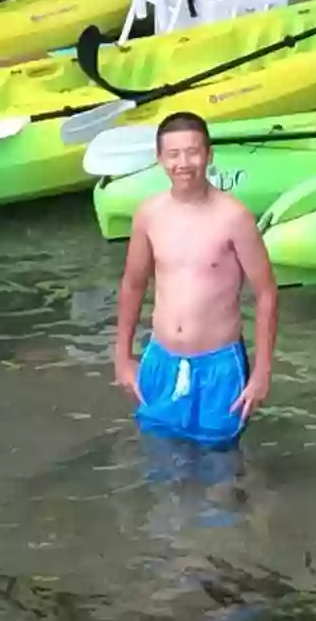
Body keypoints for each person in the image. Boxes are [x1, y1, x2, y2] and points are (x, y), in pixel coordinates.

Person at [112, 114, 279, 447]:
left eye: (192, 152)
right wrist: (122, 356)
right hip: (161, 359)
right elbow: (133, 284)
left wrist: (262, 372)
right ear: (160, 159)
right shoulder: (149, 215)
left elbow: (266, 293)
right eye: (173, 154)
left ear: (209, 155)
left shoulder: (234, 217)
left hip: (219, 365)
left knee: (222, 467)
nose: (183, 163)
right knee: (160, 459)